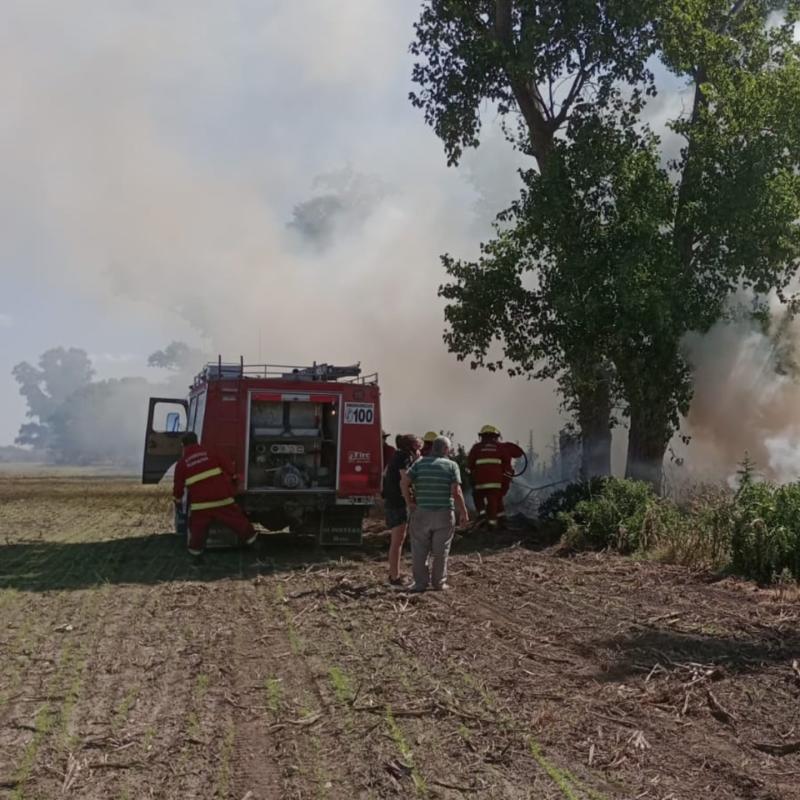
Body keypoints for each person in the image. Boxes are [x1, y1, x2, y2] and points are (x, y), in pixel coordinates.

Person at [173, 432, 257, 556]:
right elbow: (227, 464)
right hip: (222, 498)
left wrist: (177, 500)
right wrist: (233, 476)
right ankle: (254, 544)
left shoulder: (181, 463)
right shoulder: (211, 452)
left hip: (201, 505)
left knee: (198, 530)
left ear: (183, 445)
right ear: (197, 441)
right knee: (237, 521)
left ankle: (196, 556)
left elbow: (178, 486)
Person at [401, 435, 468, 592]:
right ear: (445, 449)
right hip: (444, 513)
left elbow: (404, 482)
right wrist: (463, 512)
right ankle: (439, 583)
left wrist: (409, 502)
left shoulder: (420, 464)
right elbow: (456, 491)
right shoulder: (452, 466)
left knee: (419, 549)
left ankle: (420, 583)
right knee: (441, 551)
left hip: (422, 512)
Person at [467, 425, 525, 529]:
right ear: (495, 436)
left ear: (482, 436)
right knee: (494, 499)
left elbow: (470, 464)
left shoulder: (476, 448)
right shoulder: (501, 447)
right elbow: (512, 459)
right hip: (496, 482)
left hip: (480, 482)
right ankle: (493, 524)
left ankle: (483, 515)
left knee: (477, 496)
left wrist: (472, 475)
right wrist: (506, 478)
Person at [382, 434, 421, 586]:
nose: (419, 449)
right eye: (417, 446)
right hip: (398, 502)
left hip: (392, 501)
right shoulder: (403, 458)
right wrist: (409, 501)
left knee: (397, 540)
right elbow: (404, 481)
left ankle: (394, 573)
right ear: (410, 447)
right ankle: (394, 577)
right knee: (398, 541)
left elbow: (385, 474)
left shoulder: (396, 456)